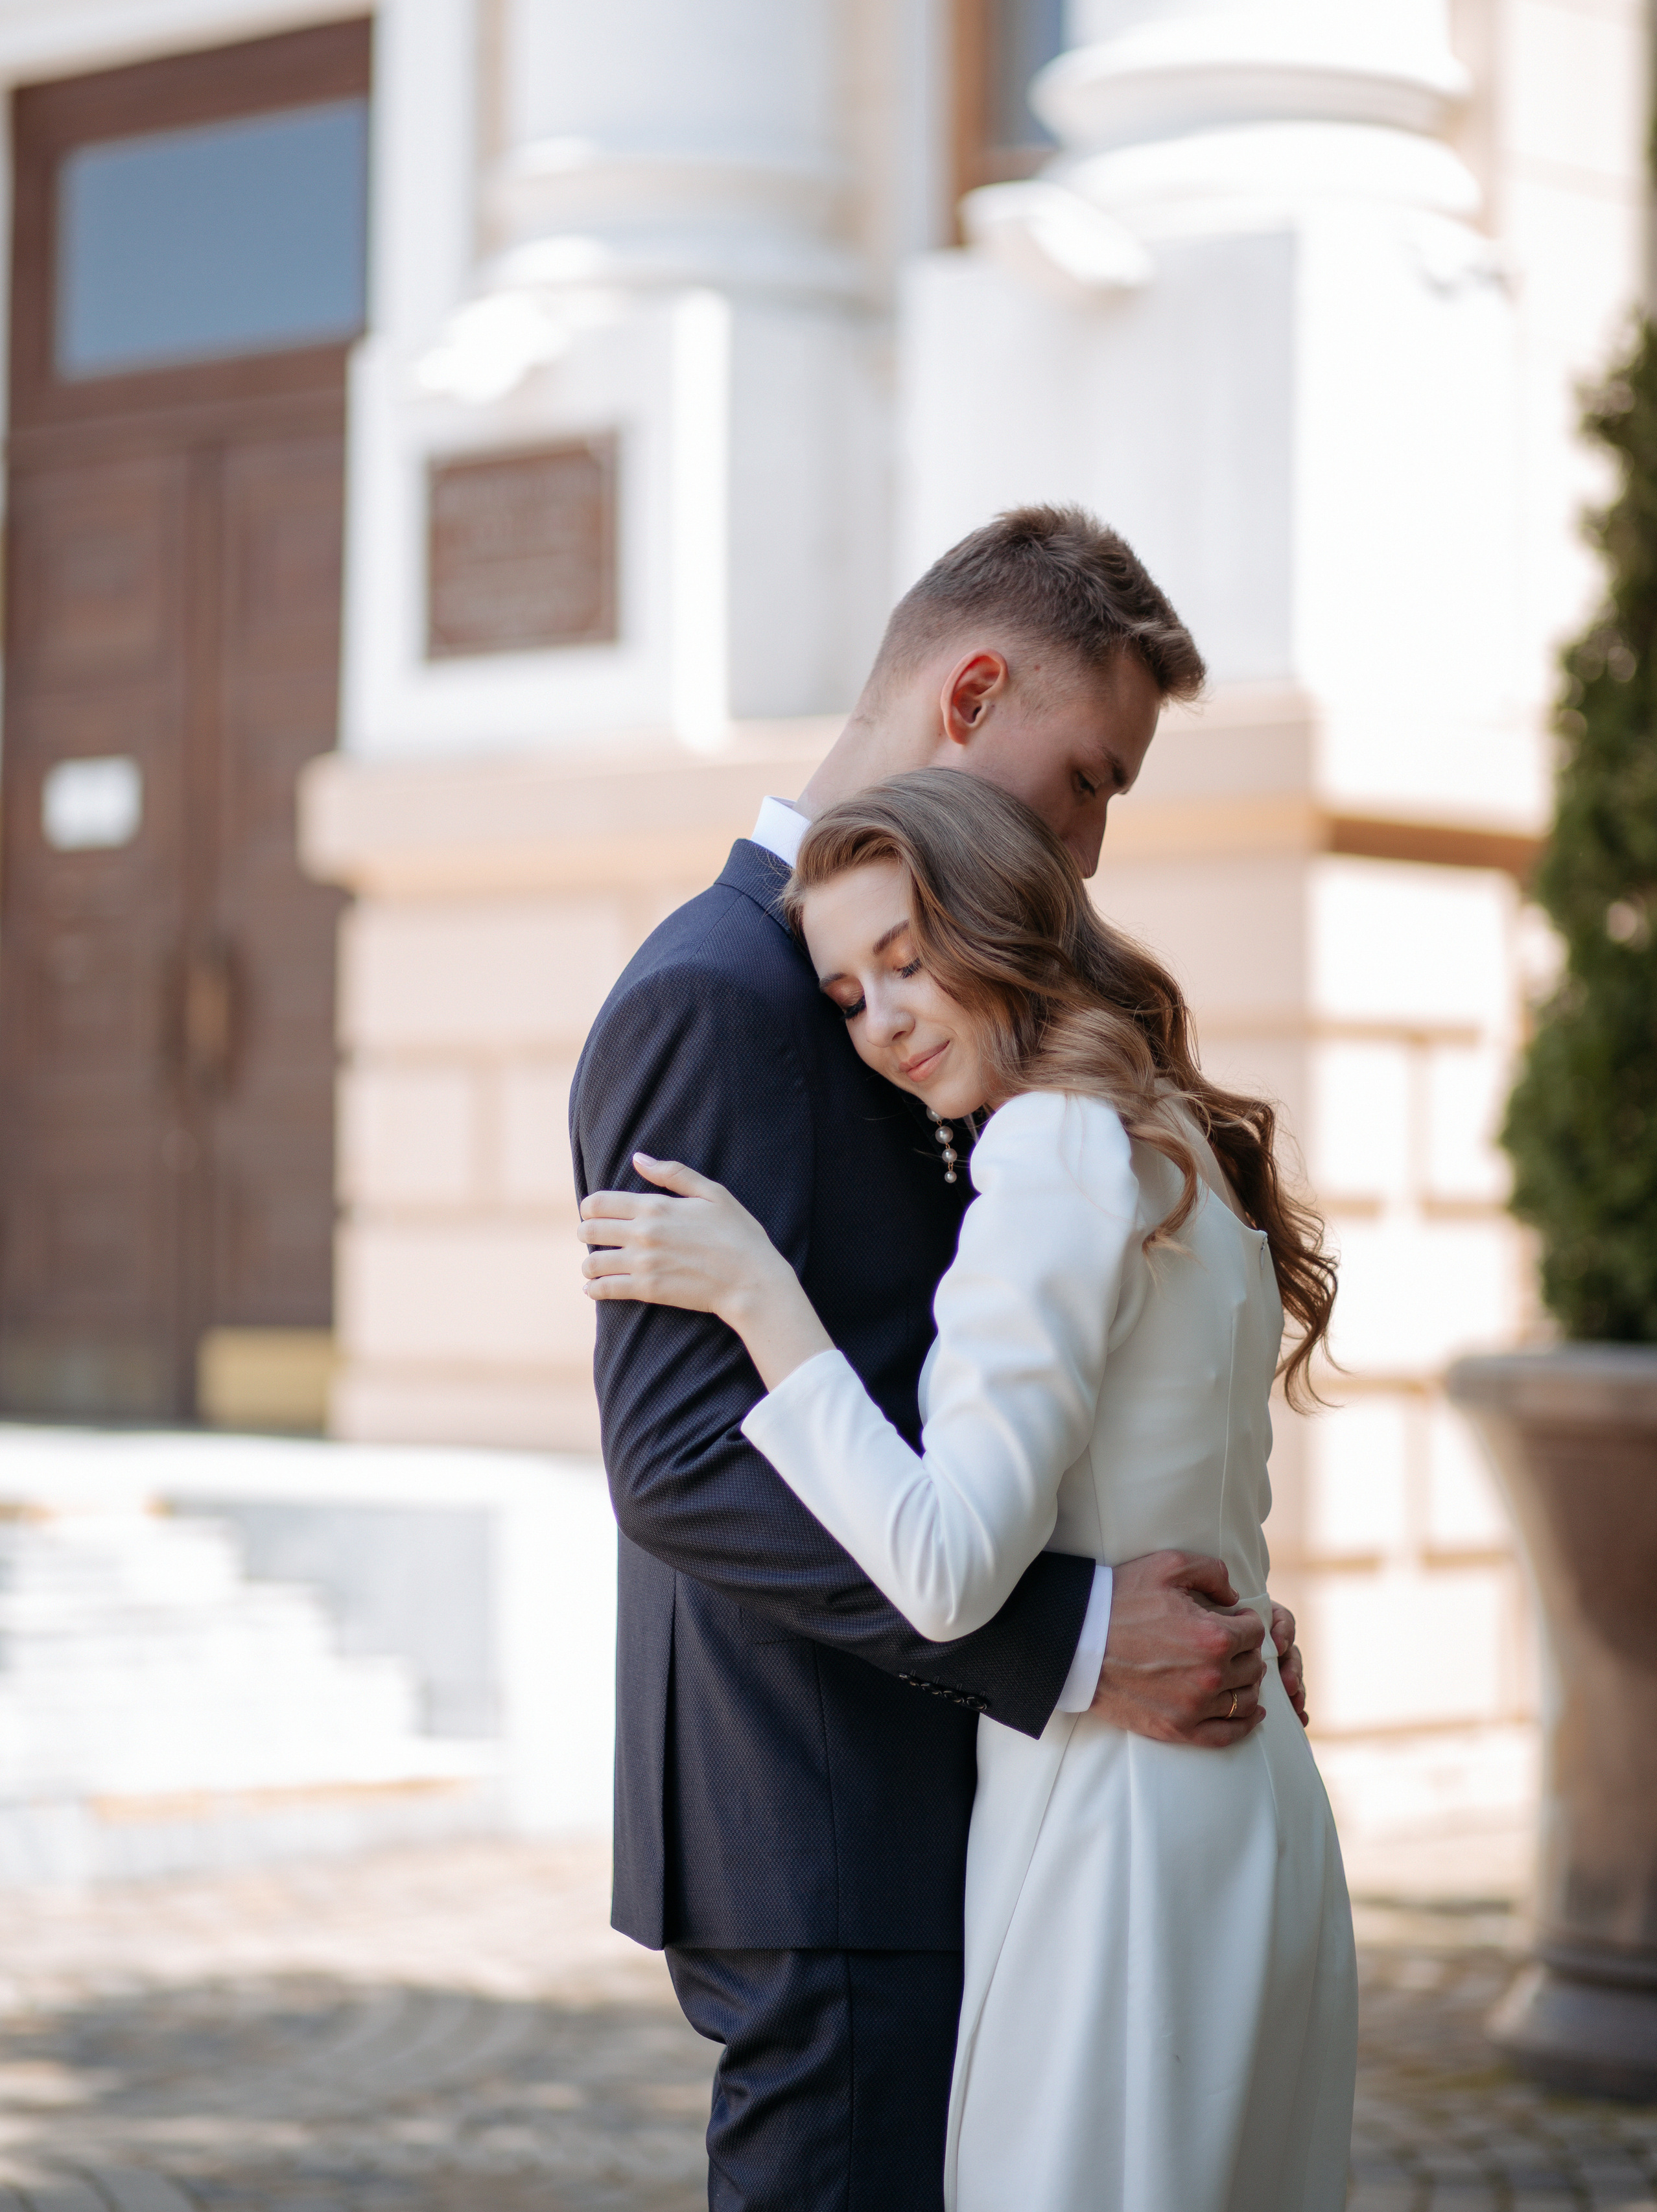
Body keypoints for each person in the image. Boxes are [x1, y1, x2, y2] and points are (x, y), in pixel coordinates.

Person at [566, 507, 1310, 2212]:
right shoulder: (716, 995)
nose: (1095, 842)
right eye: (1092, 776)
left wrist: (1177, 1584)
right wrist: (1076, 1641)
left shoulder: (972, 992)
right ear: (971, 697)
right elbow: (678, 1462)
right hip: (827, 1822)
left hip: (982, 1801)